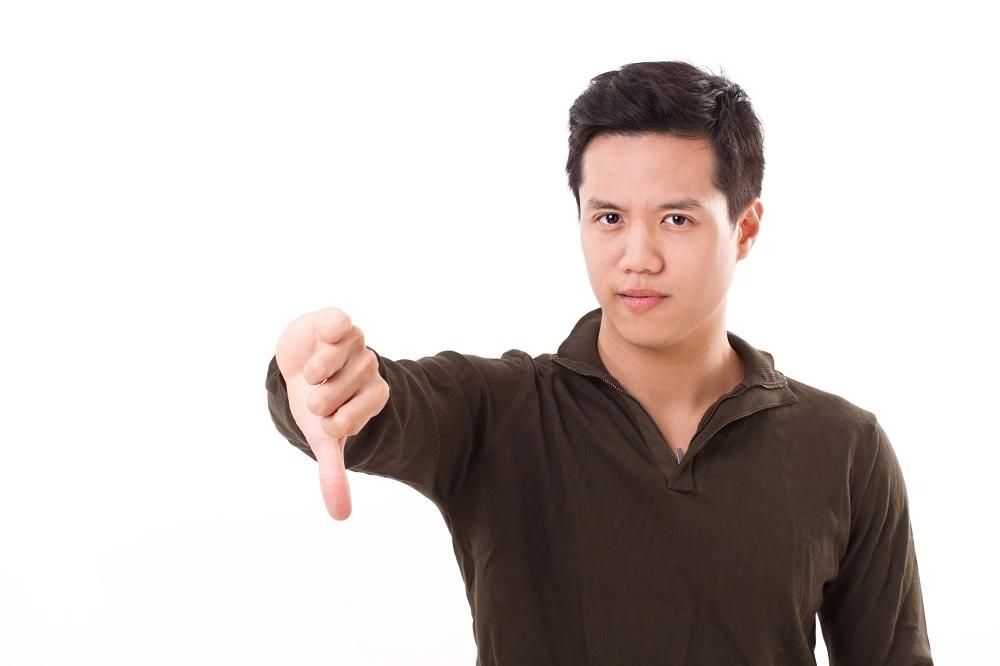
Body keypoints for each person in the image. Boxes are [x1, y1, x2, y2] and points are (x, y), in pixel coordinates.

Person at [264, 60, 934, 665]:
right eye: (609, 217)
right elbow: (384, 405)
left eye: (676, 220)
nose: (636, 256)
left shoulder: (845, 448)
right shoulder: (498, 412)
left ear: (745, 228)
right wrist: (315, 383)